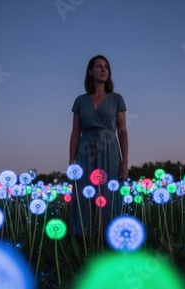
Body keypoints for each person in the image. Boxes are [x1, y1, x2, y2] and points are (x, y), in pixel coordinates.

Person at [68, 55, 128, 237]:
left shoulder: (116, 99)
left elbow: (123, 132)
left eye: (106, 67)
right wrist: (72, 162)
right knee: (84, 193)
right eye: (98, 66)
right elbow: (75, 132)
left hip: (109, 150)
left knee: (108, 193)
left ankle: (109, 237)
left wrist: (125, 162)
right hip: (85, 152)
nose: (103, 70)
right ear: (90, 71)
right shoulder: (80, 101)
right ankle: (84, 238)